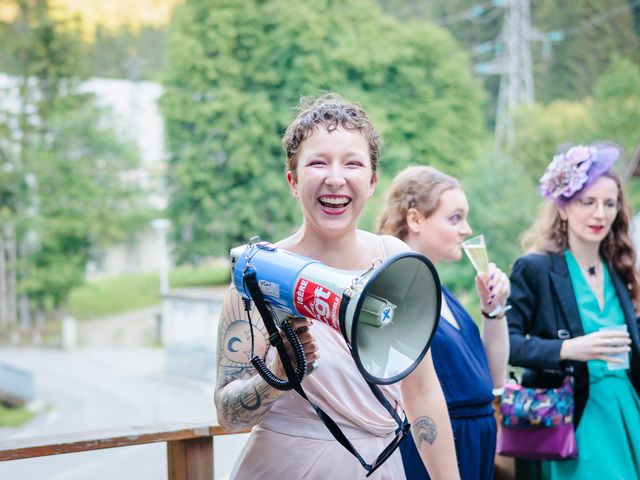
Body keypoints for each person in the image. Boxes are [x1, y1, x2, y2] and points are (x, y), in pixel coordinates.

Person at [214, 96, 460, 479]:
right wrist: (278, 375)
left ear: (373, 180)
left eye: (353, 163)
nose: (335, 178)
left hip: (378, 466)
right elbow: (227, 415)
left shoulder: (396, 262)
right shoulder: (256, 272)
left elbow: (423, 392)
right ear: (292, 180)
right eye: (317, 162)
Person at [508, 142, 640, 479]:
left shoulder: (621, 266)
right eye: (588, 202)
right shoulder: (534, 268)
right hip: (574, 417)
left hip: (628, 406)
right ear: (564, 207)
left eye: (609, 204)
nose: (600, 214)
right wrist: (568, 349)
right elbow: (507, 344)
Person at [377, 165, 510, 480]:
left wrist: (493, 308)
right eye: (455, 218)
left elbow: (494, 376)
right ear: (415, 220)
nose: (466, 229)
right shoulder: (397, 292)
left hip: (476, 440)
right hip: (438, 446)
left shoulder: (438, 290)